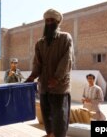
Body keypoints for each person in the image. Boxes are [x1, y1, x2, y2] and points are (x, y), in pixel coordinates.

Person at [25, 9, 74, 137]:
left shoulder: (65, 38)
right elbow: (37, 63)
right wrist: (32, 76)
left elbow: (67, 60)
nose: (49, 23)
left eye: (52, 20)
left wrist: (56, 78)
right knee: (47, 119)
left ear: (58, 21)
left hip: (59, 88)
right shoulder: (40, 43)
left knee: (60, 119)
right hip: (44, 87)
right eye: (47, 20)